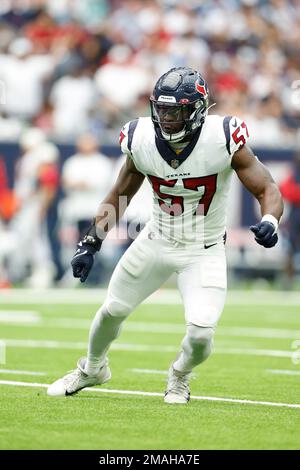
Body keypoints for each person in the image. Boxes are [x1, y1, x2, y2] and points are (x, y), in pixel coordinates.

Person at [48, 67, 283, 404]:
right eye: (162, 109)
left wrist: (271, 220)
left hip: (204, 249)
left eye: (176, 111)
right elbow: (120, 194)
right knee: (112, 310)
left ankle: (179, 375)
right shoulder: (140, 138)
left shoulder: (222, 137)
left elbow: (267, 187)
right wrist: (90, 242)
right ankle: (93, 368)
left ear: (197, 109)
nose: (167, 118)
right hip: (156, 240)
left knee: (201, 334)